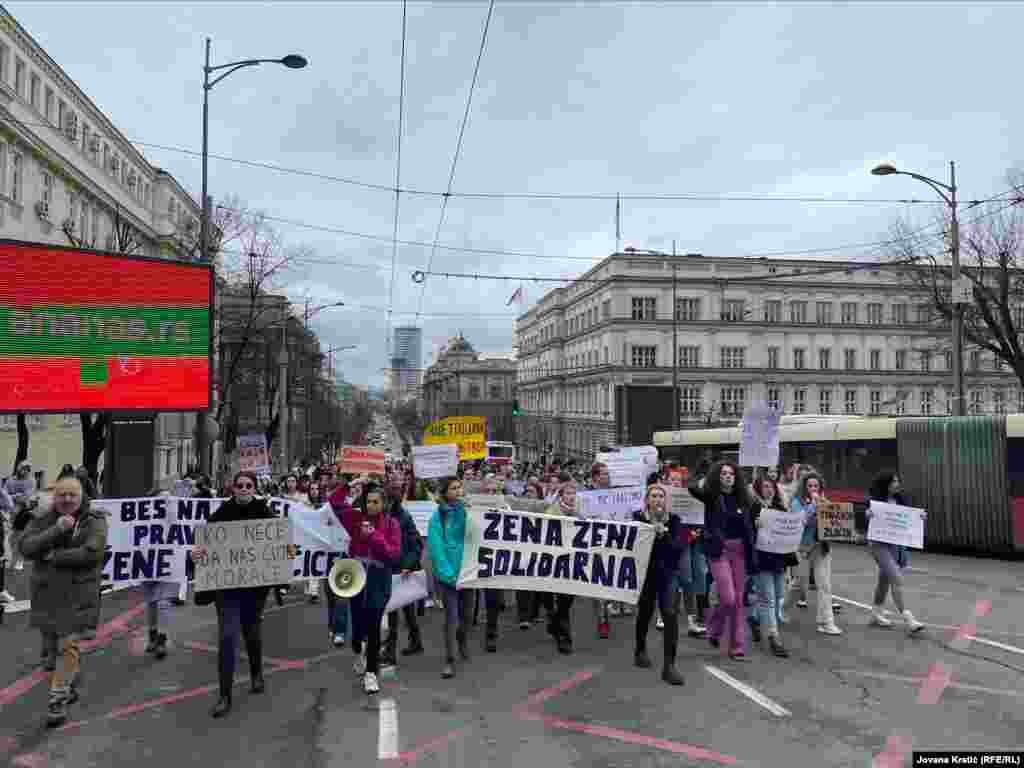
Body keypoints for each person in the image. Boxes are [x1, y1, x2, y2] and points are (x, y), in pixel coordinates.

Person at [193, 471, 286, 718]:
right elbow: (204, 544)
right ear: (232, 489)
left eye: (248, 485)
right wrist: (197, 555)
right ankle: (225, 695)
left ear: (254, 488)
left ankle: (256, 673)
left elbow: (279, 543)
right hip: (227, 589)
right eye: (239, 485)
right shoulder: (221, 514)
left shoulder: (265, 512)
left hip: (254, 589)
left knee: (251, 632)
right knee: (226, 637)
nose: (244, 489)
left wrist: (285, 550)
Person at [18, 475, 108, 727]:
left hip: (78, 597)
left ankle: (57, 700)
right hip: (46, 598)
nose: (67, 499)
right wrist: (56, 530)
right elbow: (26, 547)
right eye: (62, 494)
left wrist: (55, 556)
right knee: (50, 658)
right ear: (54, 496)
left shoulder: (95, 520)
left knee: (66, 647)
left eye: (72, 494)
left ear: (81, 497)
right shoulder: (43, 519)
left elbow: (93, 551)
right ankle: (69, 681)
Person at [689, 461, 759, 660]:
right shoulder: (711, 496)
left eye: (731, 474)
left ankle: (737, 647)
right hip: (719, 551)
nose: (728, 476)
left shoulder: (744, 499)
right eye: (723, 474)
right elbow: (692, 487)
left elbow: (752, 526)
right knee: (727, 598)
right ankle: (714, 628)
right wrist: (701, 479)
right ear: (717, 477)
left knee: (737, 600)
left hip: (740, 552)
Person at [342, 483, 401, 694]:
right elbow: (351, 549)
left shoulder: (392, 524)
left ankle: (371, 673)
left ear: (384, 504)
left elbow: (393, 555)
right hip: (358, 580)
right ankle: (358, 650)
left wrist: (374, 536)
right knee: (358, 628)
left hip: (379, 582)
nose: (371, 505)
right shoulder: (358, 523)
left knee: (374, 629)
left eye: (376, 502)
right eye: (368, 501)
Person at [633, 484, 685, 685]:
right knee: (645, 612)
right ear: (647, 500)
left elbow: (678, 548)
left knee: (670, 614)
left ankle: (669, 665)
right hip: (645, 574)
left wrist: (664, 535)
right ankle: (640, 649)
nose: (657, 499)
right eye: (653, 496)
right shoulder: (638, 518)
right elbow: (632, 545)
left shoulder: (674, 520)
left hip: (667, 574)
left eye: (661, 496)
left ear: (666, 500)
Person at [865, 472, 924, 634]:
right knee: (896, 577)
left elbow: (909, 519)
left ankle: (876, 614)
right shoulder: (874, 501)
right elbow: (866, 516)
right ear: (886, 485)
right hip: (878, 545)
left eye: (898, 481)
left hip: (895, 545)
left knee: (884, 581)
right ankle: (908, 618)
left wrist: (920, 517)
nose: (897, 484)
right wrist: (868, 514)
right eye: (894, 481)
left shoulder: (900, 499)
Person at [789, 472, 842, 636]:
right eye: (810, 486)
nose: (813, 488)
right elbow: (801, 521)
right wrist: (814, 505)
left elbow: (835, 520)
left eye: (816, 486)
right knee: (800, 584)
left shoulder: (824, 501)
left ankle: (826, 622)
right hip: (803, 547)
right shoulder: (797, 502)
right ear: (804, 487)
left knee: (824, 585)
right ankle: (783, 607)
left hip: (821, 546)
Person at [427, 477, 470, 679]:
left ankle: (462, 639)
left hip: (469, 573)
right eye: (454, 488)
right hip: (449, 577)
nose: (459, 490)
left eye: (460, 487)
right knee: (450, 618)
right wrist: (447, 574)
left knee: (466, 616)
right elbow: (436, 548)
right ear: (445, 492)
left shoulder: (466, 511)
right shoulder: (437, 517)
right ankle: (449, 659)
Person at [381, 472, 425, 665]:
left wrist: (408, 565)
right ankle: (415, 642)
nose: (395, 491)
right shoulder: (384, 512)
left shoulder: (404, 516)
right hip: (389, 569)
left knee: (396, 611)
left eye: (398, 488)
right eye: (392, 487)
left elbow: (417, 544)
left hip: (401, 571)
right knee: (404, 610)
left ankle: (391, 653)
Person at [750, 476, 792, 657]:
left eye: (771, 486)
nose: (769, 489)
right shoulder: (753, 509)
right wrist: (754, 526)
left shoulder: (781, 509)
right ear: (758, 489)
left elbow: (788, 532)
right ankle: (774, 637)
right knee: (769, 599)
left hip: (778, 559)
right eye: (764, 486)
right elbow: (745, 532)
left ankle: (755, 618)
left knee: (778, 595)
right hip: (761, 559)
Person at [542, 477, 581, 654]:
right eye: (568, 493)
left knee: (567, 599)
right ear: (561, 495)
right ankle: (564, 638)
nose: (571, 496)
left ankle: (554, 621)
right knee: (557, 597)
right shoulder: (552, 511)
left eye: (574, 493)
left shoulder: (580, 511)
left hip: (573, 560)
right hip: (555, 560)